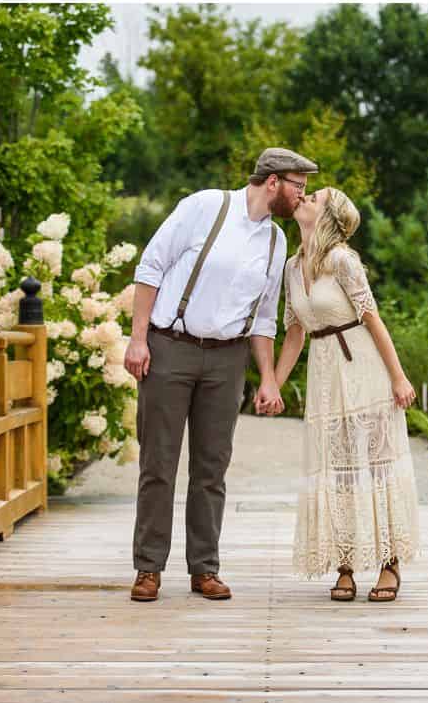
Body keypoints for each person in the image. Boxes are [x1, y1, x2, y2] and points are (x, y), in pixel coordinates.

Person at [120, 148, 311, 603]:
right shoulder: (204, 206)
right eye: (297, 186)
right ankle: (148, 568)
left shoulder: (276, 241)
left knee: (212, 469)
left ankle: (204, 568)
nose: (301, 196)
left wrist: (268, 378)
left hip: (227, 361)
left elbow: (265, 319)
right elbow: (150, 268)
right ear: (272, 182)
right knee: (158, 464)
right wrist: (138, 338)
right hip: (170, 347)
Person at [271, 186, 421, 602]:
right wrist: (273, 386)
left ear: (328, 216)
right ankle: (346, 564)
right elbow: (294, 334)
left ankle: (389, 564)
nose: (304, 197)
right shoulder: (291, 267)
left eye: (315, 197)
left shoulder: (342, 261)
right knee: (337, 470)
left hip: (363, 370)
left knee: (374, 465)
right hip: (324, 377)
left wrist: (399, 378)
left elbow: (373, 320)